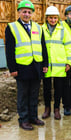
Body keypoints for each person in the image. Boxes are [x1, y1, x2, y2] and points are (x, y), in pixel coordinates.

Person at [5, 0, 48, 130]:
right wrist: (12, 68)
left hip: (36, 66)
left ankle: (33, 117)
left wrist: (45, 64)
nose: (27, 14)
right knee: (23, 95)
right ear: (19, 12)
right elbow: (10, 49)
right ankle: (23, 119)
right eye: (24, 11)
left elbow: (43, 47)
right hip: (22, 67)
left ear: (32, 14)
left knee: (34, 94)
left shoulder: (38, 27)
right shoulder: (12, 27)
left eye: (29, 12)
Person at [41, 6, 71, 119]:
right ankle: (47, 109)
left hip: (60, 65)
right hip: (46, 65)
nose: (53, 20)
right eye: (50, 18)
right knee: (46, 88)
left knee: (58, 88)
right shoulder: (41, 29)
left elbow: (69, 47)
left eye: (55, 18)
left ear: (58, 18)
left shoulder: (63, 30)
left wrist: (69, 62)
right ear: (46, 18)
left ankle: (56, 109)